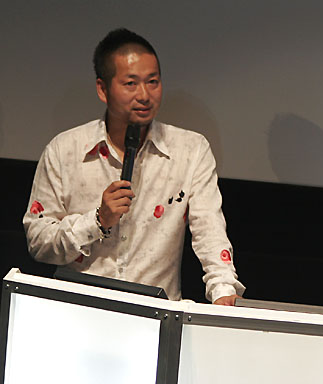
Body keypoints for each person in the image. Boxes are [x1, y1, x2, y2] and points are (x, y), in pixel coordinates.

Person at [23, 28, 245, 305]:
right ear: (103, 89)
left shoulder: (190, 150)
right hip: (79, 311)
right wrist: (97, 220)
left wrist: (223, 292)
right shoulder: (64, 150)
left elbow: (210, 231)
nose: (144, 95)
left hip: (155, 314)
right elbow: (39, 242)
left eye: (153, 82)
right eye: (131, 84)